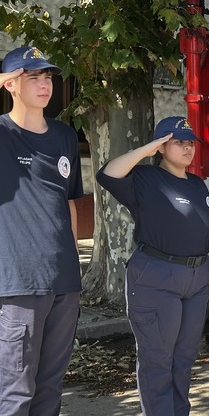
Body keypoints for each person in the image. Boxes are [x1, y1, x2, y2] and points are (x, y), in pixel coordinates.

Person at [96, 116, 209, 416]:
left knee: (185, 357)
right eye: (179, 142)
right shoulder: (144, 179)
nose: (188, 148)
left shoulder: (198, 184)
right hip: (157, 276)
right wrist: (145, 150)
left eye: (191, 143)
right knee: (158, 360)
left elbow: (204, 227)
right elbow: (107, 174)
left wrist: (208, 266)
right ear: (161, 147)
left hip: (196, 278)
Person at [0, 47, 82, 416]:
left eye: (47, 76)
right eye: (33, 77)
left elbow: (68, 203)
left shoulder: (64, 136)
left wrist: (76, 261)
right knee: (16, 390)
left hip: (64, 280)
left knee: (51, 385)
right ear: (11, 84)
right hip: (20, 283)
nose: (44, 84)